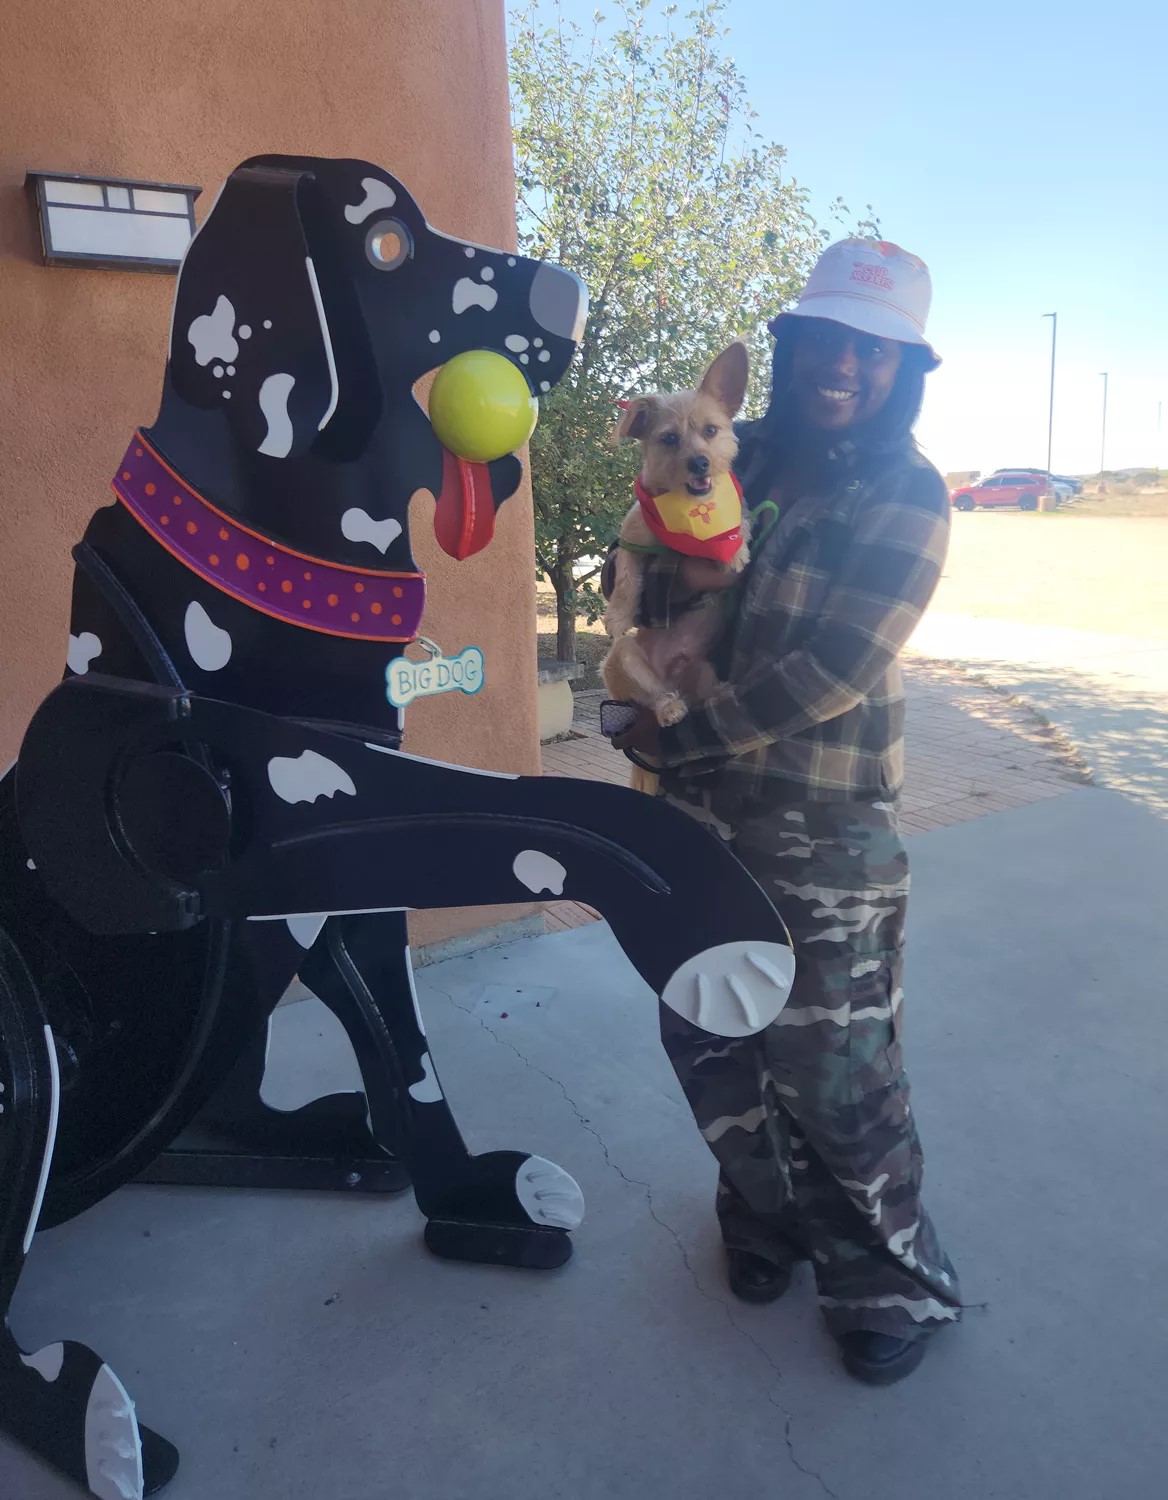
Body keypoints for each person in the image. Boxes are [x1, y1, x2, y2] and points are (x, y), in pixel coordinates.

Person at [613, 239, 961, 1386]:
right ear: (793, 347)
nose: (843, 367)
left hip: (824, 822)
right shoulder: (729, 450)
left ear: (899, 368)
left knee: (832, 1063)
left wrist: (681, 727)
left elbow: (835, 670)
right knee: (708, 1030)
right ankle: (762, 1222)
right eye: (826, 341)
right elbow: (651, 580)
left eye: (872, 350)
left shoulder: (908, 493)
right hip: (694, 810)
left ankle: (884, 1276)